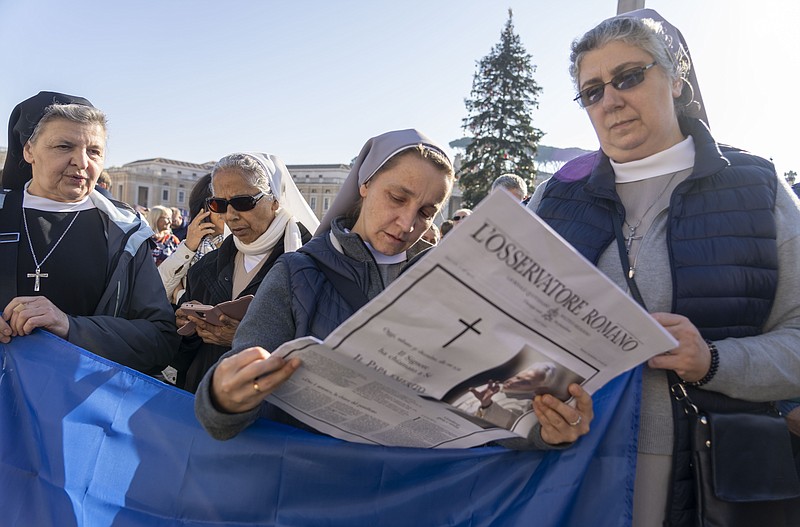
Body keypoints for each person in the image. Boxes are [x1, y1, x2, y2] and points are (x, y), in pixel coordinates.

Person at [528, 10, 800, 525]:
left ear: (676, 78)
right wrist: (541, 419)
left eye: (629, 76)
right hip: (575, 473)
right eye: (591, 90)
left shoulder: (757, 187)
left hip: (714, 479)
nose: (610, 99)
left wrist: (714, 360)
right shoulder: (554, 198)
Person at [194, 129, 594, 448]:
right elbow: (225, 404)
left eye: (425, 212)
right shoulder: (297, 273)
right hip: (309, 491)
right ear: (365, 184)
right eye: (397, 197)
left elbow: (487, 411)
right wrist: (224, 397)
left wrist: (545, 431)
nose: (406, 224)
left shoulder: (454, 281)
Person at [0, 91, 179, 373]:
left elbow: (160, 339)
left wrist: (70, 326)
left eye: (94, 151)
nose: (82, 162)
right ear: (28, 150)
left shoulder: (126, 232)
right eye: (64, 146)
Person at [172, 152, 318, 393]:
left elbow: (317, 353)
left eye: (242, 202)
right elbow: (182, 358)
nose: (230, 215)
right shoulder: (205, 268)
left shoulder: (311, 266)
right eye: (219, 204)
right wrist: (186, 329)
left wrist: (244, 339)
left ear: (275, 200)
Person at [158, 174, 226, 305]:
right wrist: (188, 247)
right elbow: (157, 291)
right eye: (218, 204)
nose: (228, 211)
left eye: (235, 203)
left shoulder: (246, 244)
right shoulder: (191, 247)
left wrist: (179, 295)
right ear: (202, 207)